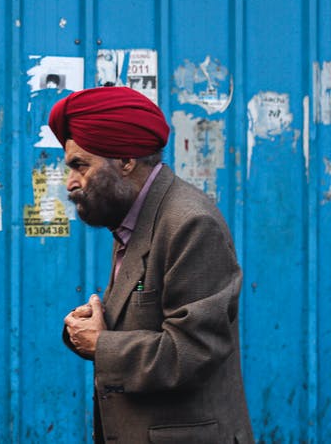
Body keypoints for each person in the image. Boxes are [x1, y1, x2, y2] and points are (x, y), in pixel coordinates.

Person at [53, 86, 252, 443]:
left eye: (81, 165)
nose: (71, 183)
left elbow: (194, 351)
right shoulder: (133, 220)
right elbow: (147, 322)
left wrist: (101, 345)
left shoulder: (189, 223)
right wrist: (91, 327)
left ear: (126, 160)